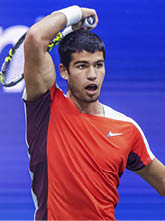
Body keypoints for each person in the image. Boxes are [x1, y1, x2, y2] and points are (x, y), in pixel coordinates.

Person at [23, 5, 165, 221]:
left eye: (98, 65)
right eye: (81, 66)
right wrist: (77, 12)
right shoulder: (46, 107)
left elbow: (162, 182)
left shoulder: (126, 128)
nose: (92, 75)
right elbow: (35, 38)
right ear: (64, 71)